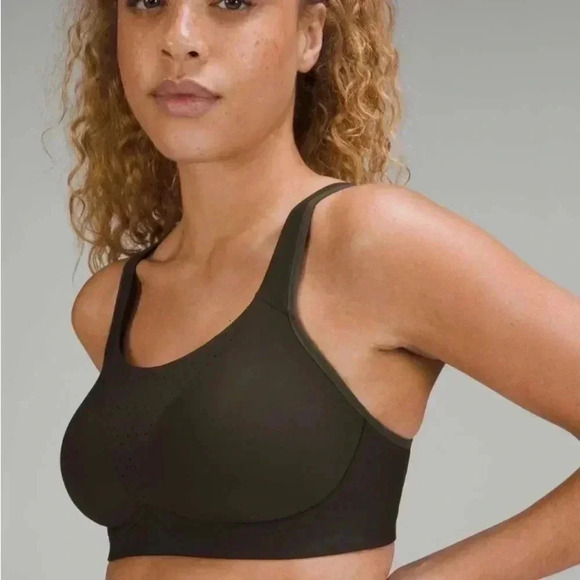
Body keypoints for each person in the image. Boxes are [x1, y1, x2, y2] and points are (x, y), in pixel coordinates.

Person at [57, 1, 580, 579]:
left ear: (310, 36)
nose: (178, 38)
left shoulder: (369, 245)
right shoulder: (108, 306)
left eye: (232, 2)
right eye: (147, 0)